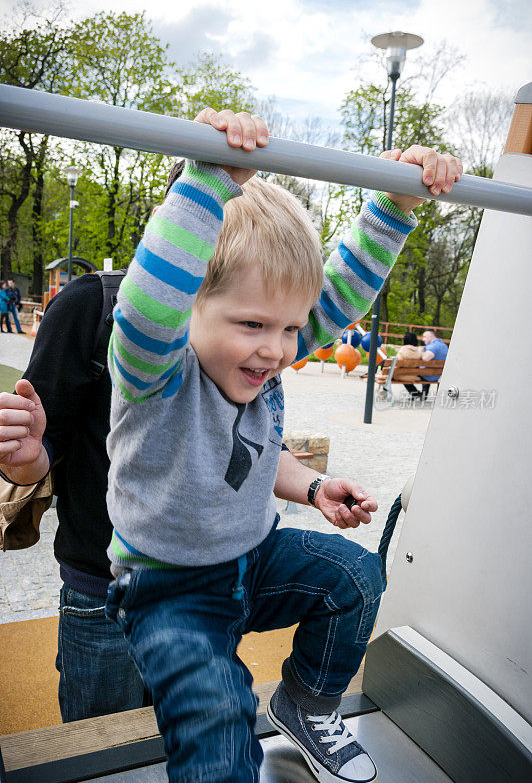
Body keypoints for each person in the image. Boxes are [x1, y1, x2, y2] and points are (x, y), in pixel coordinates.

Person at [99, 107, 462, 783]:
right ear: (192, 306)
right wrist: (209, 181)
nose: (276, 348)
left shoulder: (265, 361)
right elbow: (146, 310)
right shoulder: (156, 373)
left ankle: (305, 703)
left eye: (291, 328)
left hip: (253, 560)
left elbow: (344, 295)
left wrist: (393, 203)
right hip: (172, 592)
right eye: (253, 324)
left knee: (355, 578)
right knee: (216, 719)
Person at [0, 116, 386, 728]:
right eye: (206, 201)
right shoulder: (102, 312)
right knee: (108, 750)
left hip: (210, 580)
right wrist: (24, 456)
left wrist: (311, 487)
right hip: (108, 588)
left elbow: (240, 448)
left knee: (198, 736)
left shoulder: (246, 337)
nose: (274, 342)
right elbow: (46, 451)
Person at [403, 328, 449, 400]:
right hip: (439, 374)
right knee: (425, 369)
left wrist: (421, 350)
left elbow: (426, 358)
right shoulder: (444, 346)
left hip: (429, 375)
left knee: (403, 374)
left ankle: (415, 393)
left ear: (431, 337)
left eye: (424, 337)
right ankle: (423, 395)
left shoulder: (433, 346)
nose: (423, 339)